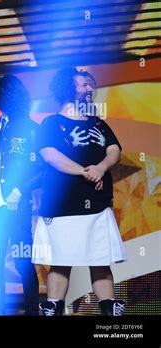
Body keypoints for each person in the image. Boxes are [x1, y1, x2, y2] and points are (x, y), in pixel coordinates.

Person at [32, 68, 127, 316]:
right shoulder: (51, 123)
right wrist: (86, 172)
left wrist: (101, 168)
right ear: (67, 88)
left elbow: (114, 150)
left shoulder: (98, 123)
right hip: (63, 204)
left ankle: (110, 311)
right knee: (61, 261)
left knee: (100, 260)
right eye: (83, 85)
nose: (89, 89)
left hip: (97, 203)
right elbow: (49, 154)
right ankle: (54, 307)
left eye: (89, 85)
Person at [0, 75, 40, 316]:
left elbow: (41, 168)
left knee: (23, 261)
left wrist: (19, 191)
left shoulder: (30, 127)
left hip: (17, 205)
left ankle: (32, 310)